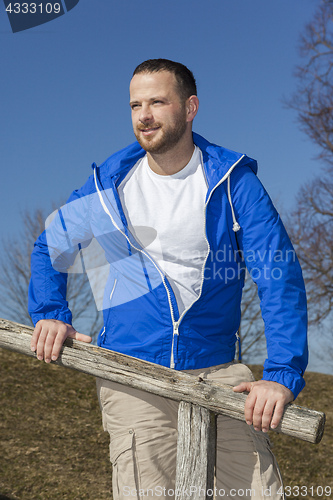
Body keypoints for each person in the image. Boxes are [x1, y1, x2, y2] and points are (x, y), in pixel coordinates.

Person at [28, 59, 308, 499]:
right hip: (132, 371)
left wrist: (281, 374)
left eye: (158, 101)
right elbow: (50, 245)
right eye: (135, 104)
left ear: (190, 107)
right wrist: (50, 313)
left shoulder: (234, 182)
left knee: (260, 493)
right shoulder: (109, 184)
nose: (144, 115)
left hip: (219, 372)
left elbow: (279, 276)